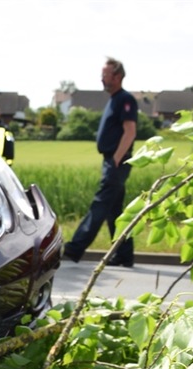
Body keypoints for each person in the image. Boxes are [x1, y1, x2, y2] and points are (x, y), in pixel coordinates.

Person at [64, 57, 138, 267]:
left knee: (100, 204)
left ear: (118, 76)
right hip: (113, 161)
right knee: (115, 212)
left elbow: (130, 131)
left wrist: (116, 159)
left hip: (117, 162)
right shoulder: (114, 99)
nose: (102, 79)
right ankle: (124, 254)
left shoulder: (125, 99)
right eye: (102, 75)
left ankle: (75, 247)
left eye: (106, 75)